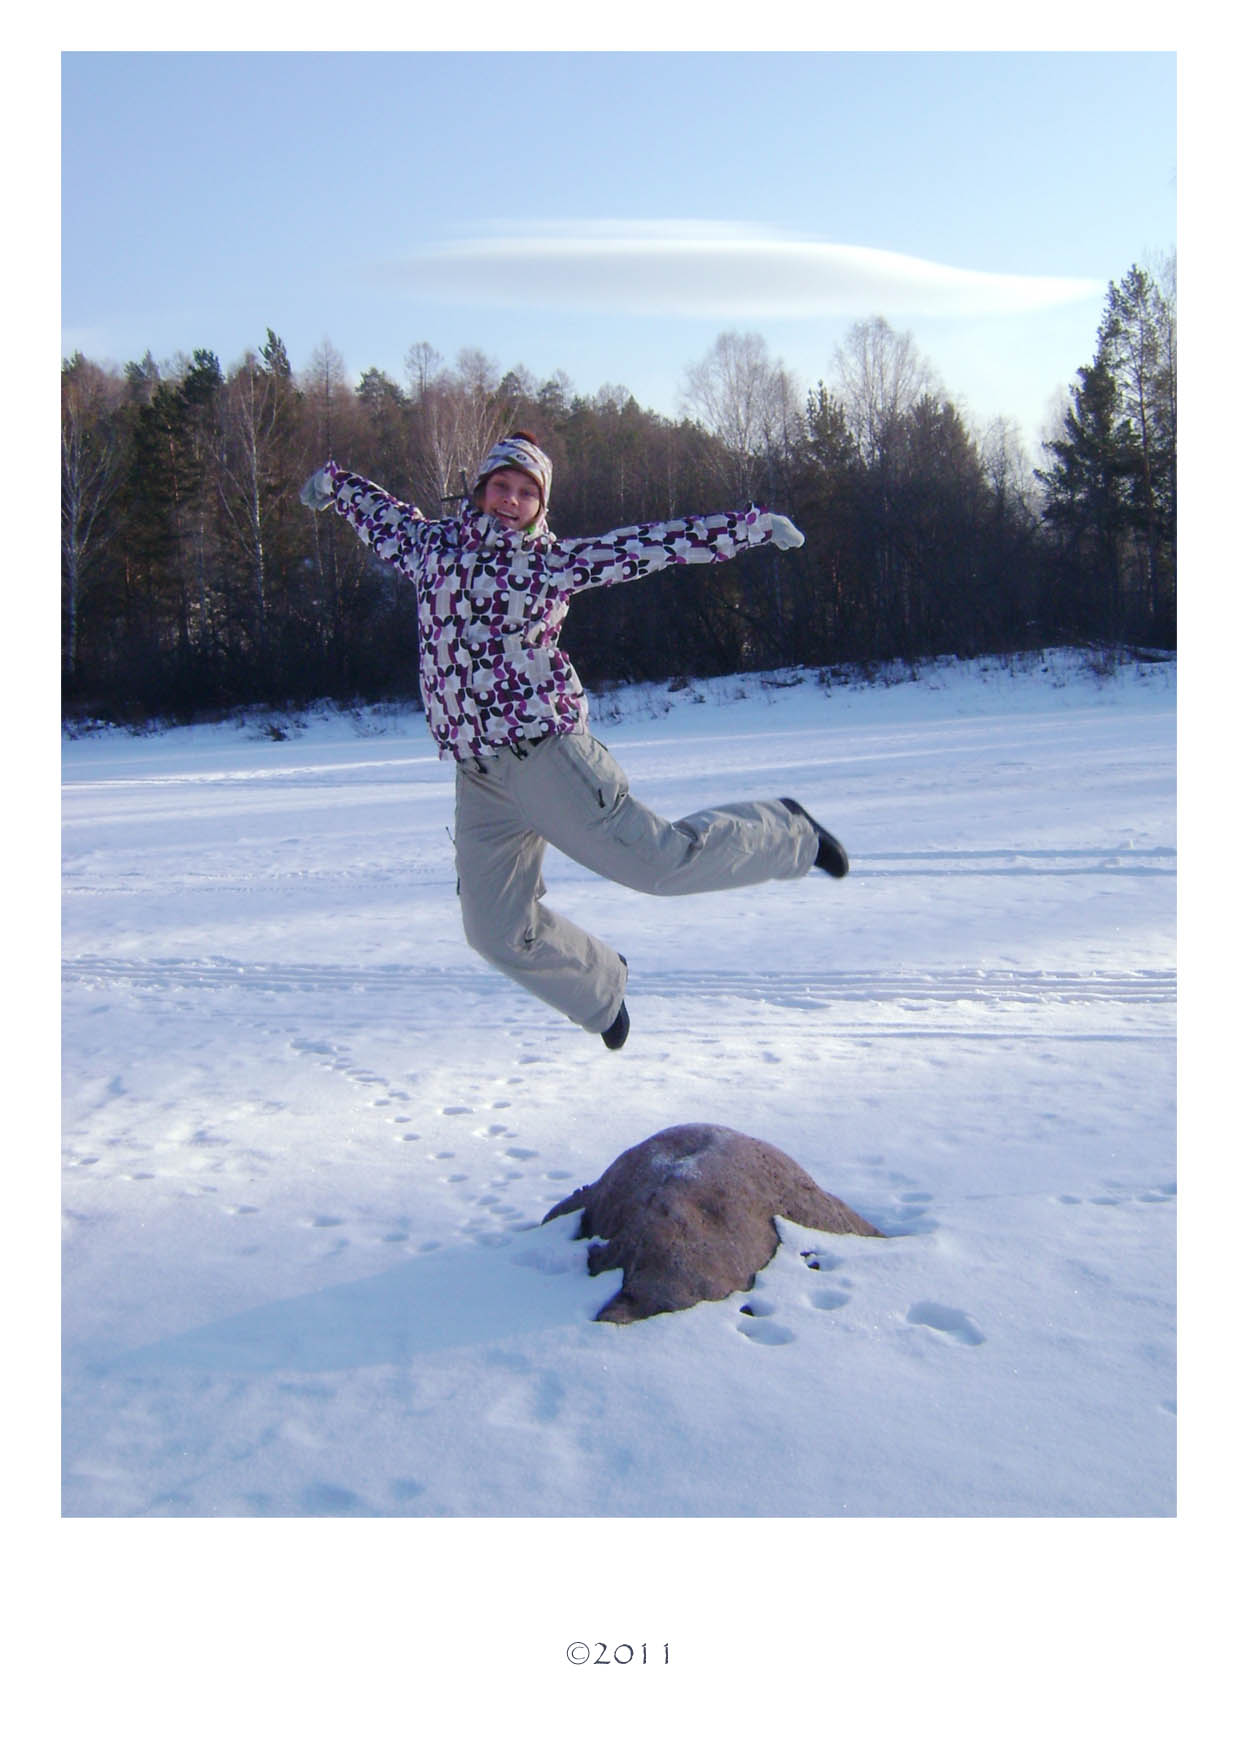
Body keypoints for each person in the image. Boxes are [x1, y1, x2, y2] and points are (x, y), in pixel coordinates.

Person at [300, 432, 848, 1051]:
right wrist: (334, 486)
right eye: (501, 486)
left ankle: (792, 833)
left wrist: (750, 529)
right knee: (493, 930)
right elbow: (381, 515)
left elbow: (650, 545)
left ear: (541, 505)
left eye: (526, 492)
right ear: (480, 490)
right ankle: (598, 987)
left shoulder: (550, 563)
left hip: (548, 758)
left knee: (662, 864)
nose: (511, 501)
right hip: (477, 776)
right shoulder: (431, 548)